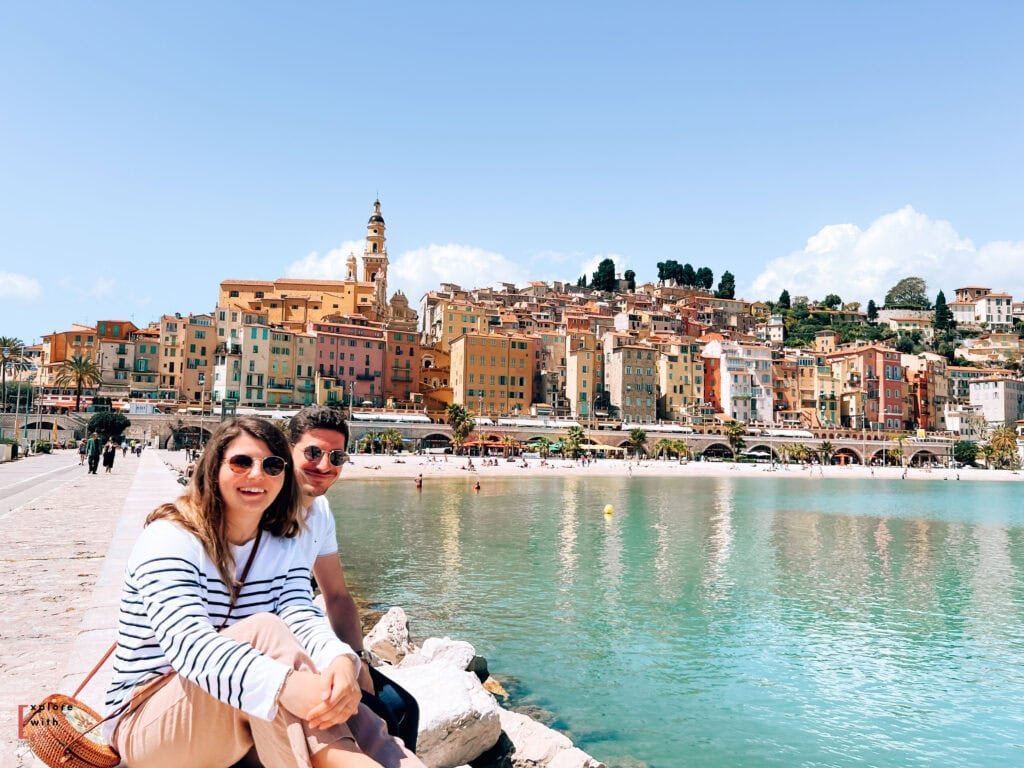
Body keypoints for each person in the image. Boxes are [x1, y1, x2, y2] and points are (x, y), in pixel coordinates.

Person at [105, 416, 423, 768]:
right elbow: (190, 647)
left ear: (283, 477)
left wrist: (342, 660)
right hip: (148, 718)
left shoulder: (278, 544)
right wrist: (285, 684)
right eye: (242, 462)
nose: (257, 474)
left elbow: (300, 611)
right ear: (214, 468)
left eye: (271, 466)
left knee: (338, 690)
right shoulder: (170, 539)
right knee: (266, 636)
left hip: (232, 707)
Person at [289, 406, 420, 751]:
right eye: (312, 453)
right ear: (286, 451)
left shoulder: (320, 511)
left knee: (404, 708)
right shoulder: (264, 511)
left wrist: (357, 657)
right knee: (379, 716)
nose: (324, 465)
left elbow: (337, 595)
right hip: (284, 655)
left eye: (336, 456)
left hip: (317, 646)